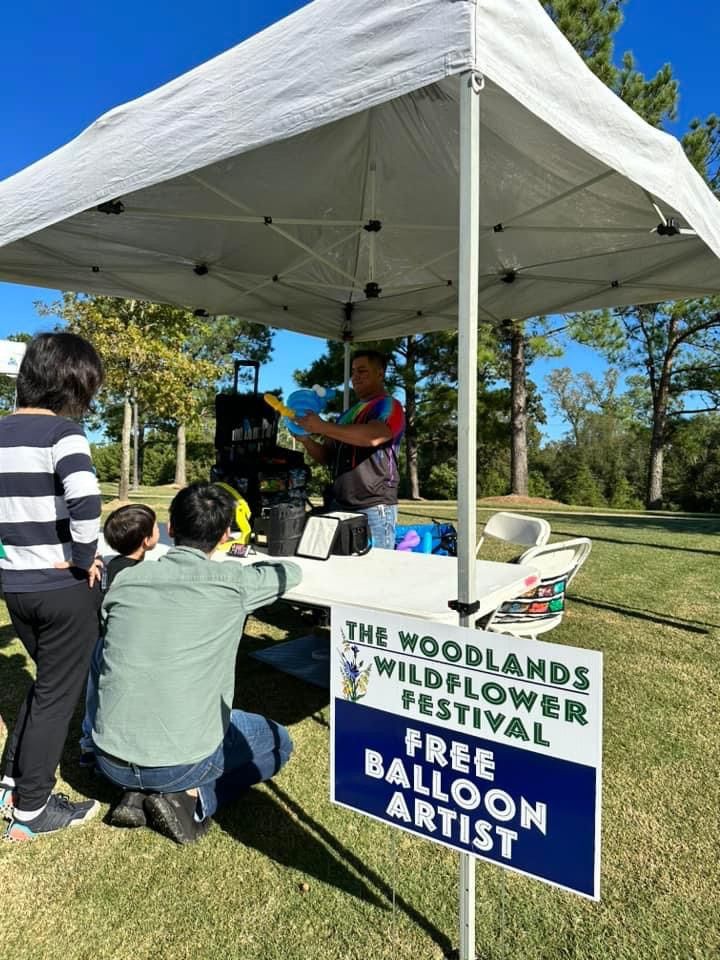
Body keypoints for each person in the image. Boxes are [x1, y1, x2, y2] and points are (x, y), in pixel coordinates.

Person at [92, 482, 301, 844]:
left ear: (170, 527)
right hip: (180, 762)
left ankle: (140, 796)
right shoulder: (234, 583)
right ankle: (192, 800)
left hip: (107, 757)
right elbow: (291, 573)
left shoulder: (125, 580)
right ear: (224, 536)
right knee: (280, 743)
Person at [0, 332, 104, 841]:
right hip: (63, 585)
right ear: (75, 382)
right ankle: (33, 809)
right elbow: (86, 504)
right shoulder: (65, 433)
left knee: (47, 683)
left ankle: (10, 780)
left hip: (15, 586)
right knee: (58, 695)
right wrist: (85, 560)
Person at [78, 504, 160, 771]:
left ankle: (88, 745)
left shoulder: (108, 565)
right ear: (147, 541)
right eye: (156, 526)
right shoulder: (142, 575)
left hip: (99, 641)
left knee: (94, 695)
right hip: (126, 645)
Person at [296, 350, 405, 549]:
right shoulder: (347, 414)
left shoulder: (389, 406)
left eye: (362, 370)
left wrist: (322, 426)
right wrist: (305, 440)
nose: (355, 376)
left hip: (373, 506)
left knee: (375, 572)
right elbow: (327, 457)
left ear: (380, 374)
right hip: (339, 504)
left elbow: (374, 436)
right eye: (353, 371)